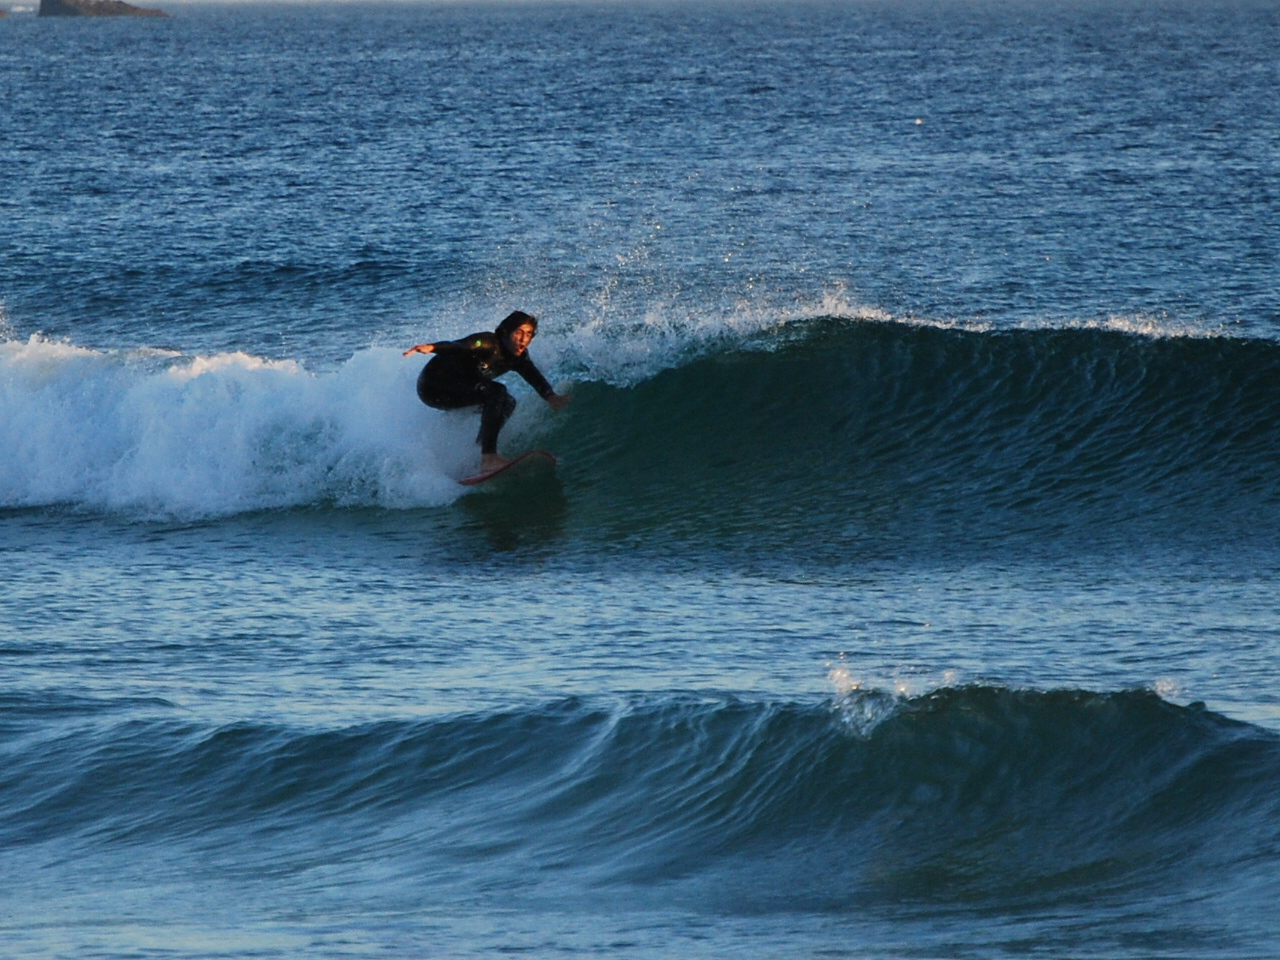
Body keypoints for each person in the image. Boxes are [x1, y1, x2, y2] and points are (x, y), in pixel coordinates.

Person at [404, 311, 570, 473]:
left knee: (508, 402)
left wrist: (551, 397)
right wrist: (433, 347)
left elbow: (532, 375)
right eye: (518, 332)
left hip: (458, 387)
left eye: (529, 334)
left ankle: (478, 452)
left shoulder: (518, 356)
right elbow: (459, 346)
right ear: (506, 332)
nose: (524, 339)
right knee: (497, 391)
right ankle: (489, 458)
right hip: (433, 386)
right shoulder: (486, 342)